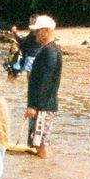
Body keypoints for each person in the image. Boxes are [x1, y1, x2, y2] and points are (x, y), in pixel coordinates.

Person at [23, 15, 62, 159]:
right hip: (43, 105)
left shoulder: (49, 51)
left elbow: (45, 81)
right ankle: (42, 174)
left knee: (41, 143)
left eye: (38, 31)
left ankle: (45, 171)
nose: (35, 34)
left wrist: (34, 105)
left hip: (43, 107)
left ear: (46, 31)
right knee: (40, 142)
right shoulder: (50, 49)